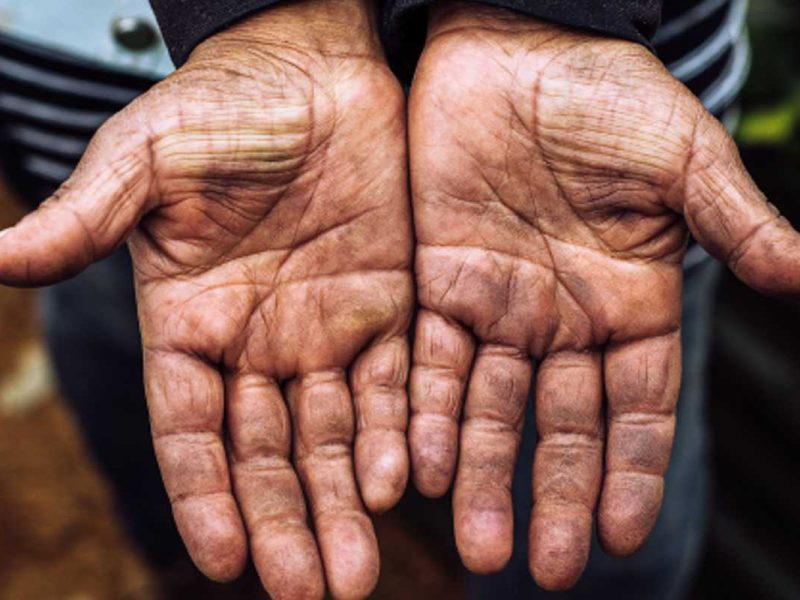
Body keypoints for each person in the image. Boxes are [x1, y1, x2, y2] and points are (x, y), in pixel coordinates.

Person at [1, 0, 796, 598]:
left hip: (591, 177)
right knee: (185, 453)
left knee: (594, 521)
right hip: (173, 179)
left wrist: (543, 15)